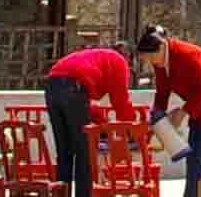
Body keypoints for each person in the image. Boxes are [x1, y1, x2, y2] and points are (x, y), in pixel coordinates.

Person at [136, 24, 201, 197]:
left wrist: (183, 112)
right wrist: (156, 121)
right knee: (194, 154)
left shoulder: (187, 54)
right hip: (197, 104)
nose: (150, 62)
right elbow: (162, 93)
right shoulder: (160, 62)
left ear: (161, 47)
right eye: (146, 59)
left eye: (150, 57)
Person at [43, 39, 137, 197]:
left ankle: (61, 194)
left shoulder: (96, 56)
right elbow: (120, 101)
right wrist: (131, 130)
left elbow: (86, 107)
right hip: (74, 86)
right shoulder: (119, 61)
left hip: (52, 85)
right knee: (85, 151)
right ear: (128, 58)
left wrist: (103, 123)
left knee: (64, 150)